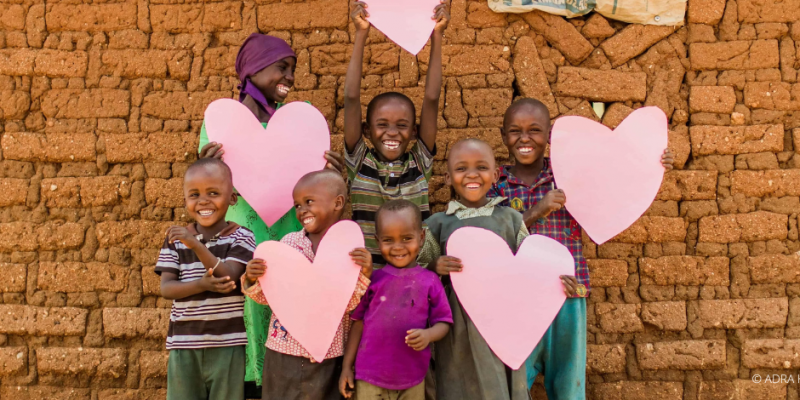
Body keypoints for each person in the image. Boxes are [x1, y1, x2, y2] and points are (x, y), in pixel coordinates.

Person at [488, 98, 675, 399]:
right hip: (517, 299)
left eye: (535, 130)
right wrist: (536, 211)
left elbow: (615, 186)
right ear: (502, 135)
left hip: (568, 293)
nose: (525, 138)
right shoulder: (495, 183)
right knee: (514, 384)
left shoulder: (568, 172)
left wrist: (652, 164)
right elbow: (492, 238)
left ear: (549, 135)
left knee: (569, 385)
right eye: (515, 131)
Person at [197, 33, 345, 395]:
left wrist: (334, 175)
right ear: (254, 69)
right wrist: (206, 169)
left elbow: (320, 191)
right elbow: (204, 197)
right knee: (248, 310)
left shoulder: (301, 124)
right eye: (282, 67)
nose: (290, 78)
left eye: (292, 69)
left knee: (289, 308)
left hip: (290, 234)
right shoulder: (221, 126)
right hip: (241, 242)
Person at [416, 138, 579, 400]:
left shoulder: (510, 219)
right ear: (447, 177)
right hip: (457, 325)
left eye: (481, 167)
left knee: (501, 381)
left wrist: (558, 282)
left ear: (494, 176)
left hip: (504, 320)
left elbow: (531, 267)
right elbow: (416, 276)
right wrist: (435, 267)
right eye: (461, 169)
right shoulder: (437, 224)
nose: (471, 174)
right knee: (459, 382)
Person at [241, 170, 374, 400]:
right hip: (284, 354)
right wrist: (253, 279)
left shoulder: (350, 250)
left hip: (329, 354)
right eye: (297, 205)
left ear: (337, 203)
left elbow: (349, 304)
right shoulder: (288, 245)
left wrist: (365, 273)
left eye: (309, 202)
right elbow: (270, 297)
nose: (302, 210)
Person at [344, 0, 449, 266]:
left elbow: (432, 98)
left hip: (416, 282)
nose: (392, 132)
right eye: (382, 124)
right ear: (367, 130)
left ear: (414, 132)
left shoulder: (419, 163)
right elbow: (351, 98)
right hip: (369, 282)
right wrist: (361, 34)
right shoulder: (359, 163)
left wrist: (437, 36)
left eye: (402, 125)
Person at [156, 158, 255, 400]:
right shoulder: (175, 239)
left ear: (232, 198)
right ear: (185, 200)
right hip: (184, 345)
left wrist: (196, 245)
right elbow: (167, 288)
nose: (203, 201)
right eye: (194, 194)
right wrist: (200, 285)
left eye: (213, 192)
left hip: (227, 345)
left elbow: (230, 276)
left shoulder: (242, 237)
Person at [339, 200, 453, 400]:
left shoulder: (430, 280)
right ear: (377, 241)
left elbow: (443, 322)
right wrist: (347, 367)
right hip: (369, 376)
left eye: (407, 238)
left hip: (412, 376)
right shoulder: (372, 280)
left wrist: (428, 335)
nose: (397, 247)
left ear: (422, 237)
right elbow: (357, 324)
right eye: (388, 240)